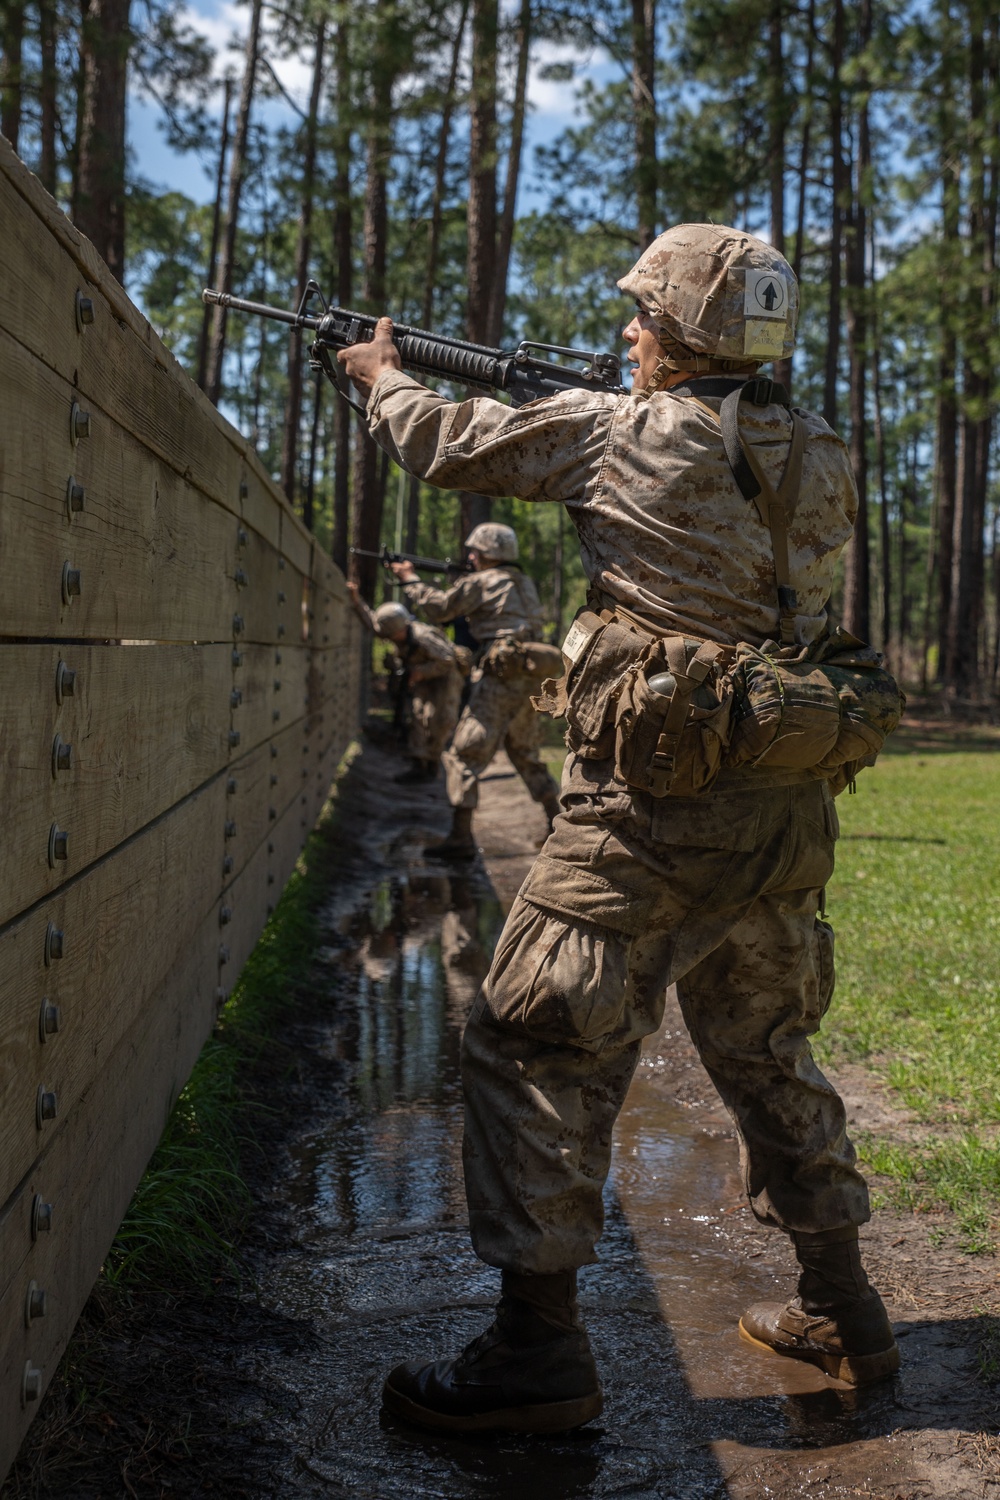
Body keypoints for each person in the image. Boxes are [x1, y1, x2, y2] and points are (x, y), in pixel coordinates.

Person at [337, 223, 899, 1435]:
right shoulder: (827, 452)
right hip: (785, 810)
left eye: (645, 313)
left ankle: (535, 1352)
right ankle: (846, 1315)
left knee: (535, 1041)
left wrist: (382, 376)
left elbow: (447, 442)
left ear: (688, 330)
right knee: (766, 1053)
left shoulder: (617, 430)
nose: (628, 331)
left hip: (648, 813)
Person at [387, 524, 561, 858]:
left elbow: (438, 608)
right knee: (526, 753)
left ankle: (460, 838)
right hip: (528, 677)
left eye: (475, 552)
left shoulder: (483, 581)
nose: (470, 557)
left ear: (488, 554)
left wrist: (409, 578)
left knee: (463, 754)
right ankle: (556, 825)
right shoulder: (523, 582)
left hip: (498, 678)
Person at [346, 586, 463, 784]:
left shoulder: (423, 636)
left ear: (401, 629)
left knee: (441, 719)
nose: (389, 639)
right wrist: (357, 602)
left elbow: (447, 660)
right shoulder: (390, 629)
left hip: (444, 677)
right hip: (422, 676)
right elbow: (372, 622)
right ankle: (419, 765)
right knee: (418, 716)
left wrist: (419, 673)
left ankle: (432, 763)